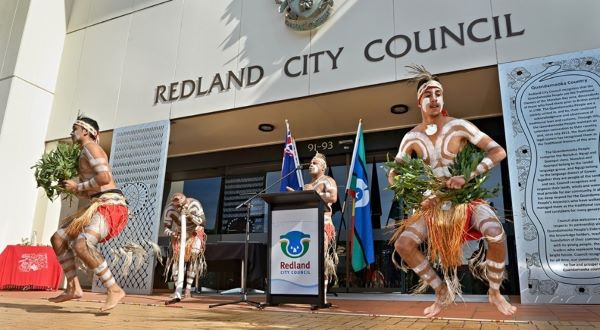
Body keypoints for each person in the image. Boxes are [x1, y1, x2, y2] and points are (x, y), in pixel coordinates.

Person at [387, 66, 517, 317]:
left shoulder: (460, 126)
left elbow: (498, 151)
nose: (434, 98)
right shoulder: (411, 137)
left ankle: (494, 291)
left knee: (495, 233)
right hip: (434, 204)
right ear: (419, 101)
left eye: (438, 93)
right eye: (428, 94)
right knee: (404, 245)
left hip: (464, 199)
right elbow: (394, 175)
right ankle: (440, 291)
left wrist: (467, 175)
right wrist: (417, 195)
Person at [49, 115, 129, 312]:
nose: (71, 132)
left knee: (82, 244)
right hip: (97, 203)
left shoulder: (91, 147)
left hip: (111, 205)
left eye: (74, 128)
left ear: (85, 131)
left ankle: (114, 289)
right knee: (58, 239)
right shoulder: (84, 152)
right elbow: (90, 190)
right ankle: (73, 288)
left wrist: (78, 185)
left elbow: (104, 177)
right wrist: (74, 189)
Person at [302, 152, 338, 304]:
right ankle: (309, 292)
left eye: (315, 163)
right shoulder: (306, 185)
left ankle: (321, 296)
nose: (311, 165)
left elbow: (332, 197)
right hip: (307, 225)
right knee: (308, 259)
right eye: (310, 163)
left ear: (323, 167)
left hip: (323, 223)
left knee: (320, 258)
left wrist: (312, 195)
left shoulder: (328, 180)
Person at [163, 192, 207, 300]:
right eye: (176, 206)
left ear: (185, 200)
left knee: (193, 259)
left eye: (180, 205)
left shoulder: (195, 204)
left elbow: (203, 222)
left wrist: (191, 216)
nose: (178, 208)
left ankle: (187, 289)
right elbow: (166, 229)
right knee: (176, 261)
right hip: (179, 234)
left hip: (195, 233)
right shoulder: (170, 209)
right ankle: (177, 289)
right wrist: (172, 233)